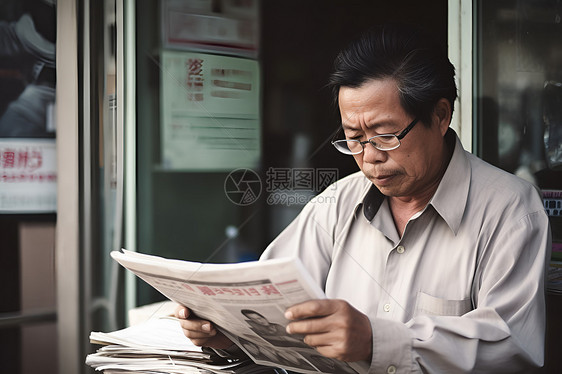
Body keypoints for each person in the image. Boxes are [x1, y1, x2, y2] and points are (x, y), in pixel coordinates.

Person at [176, 23, 551, 373]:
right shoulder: (338, 202)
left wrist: (376, 341)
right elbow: (265, 301)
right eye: (353, 138)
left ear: (440, 116)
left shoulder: (510, 209)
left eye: (385, 135)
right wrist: (228, 334)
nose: (369, 156)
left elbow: (510, 344)